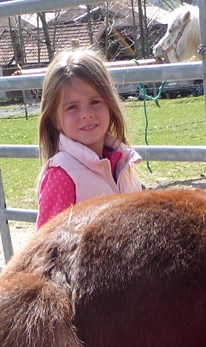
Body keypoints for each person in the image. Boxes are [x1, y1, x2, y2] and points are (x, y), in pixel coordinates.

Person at [35, 48, 143, 227]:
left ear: (109, 105)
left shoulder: (123, 163)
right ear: (54, 119)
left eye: (95, 102)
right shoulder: (62, 177)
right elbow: (47, 249)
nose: (86, 114)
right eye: (72, 107)